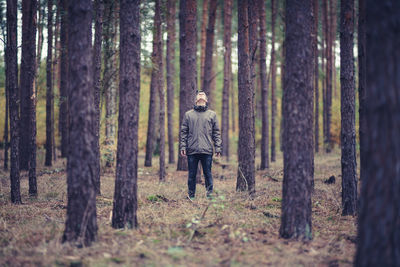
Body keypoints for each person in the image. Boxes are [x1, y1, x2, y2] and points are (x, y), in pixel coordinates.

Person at [179, 91, 222, 200]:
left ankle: (210, 196)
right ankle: (191, 196)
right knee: (192, 175)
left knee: (208, 174)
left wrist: (218, 147)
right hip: (192, 150)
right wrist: (183, 147)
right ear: (196, 100)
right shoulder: (188, 114)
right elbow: (184, 132)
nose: (201, 95)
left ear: (206, 100)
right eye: (199, 94)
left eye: (203, 95)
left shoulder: (212, 114)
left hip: (207, 150)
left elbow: (216, 132)